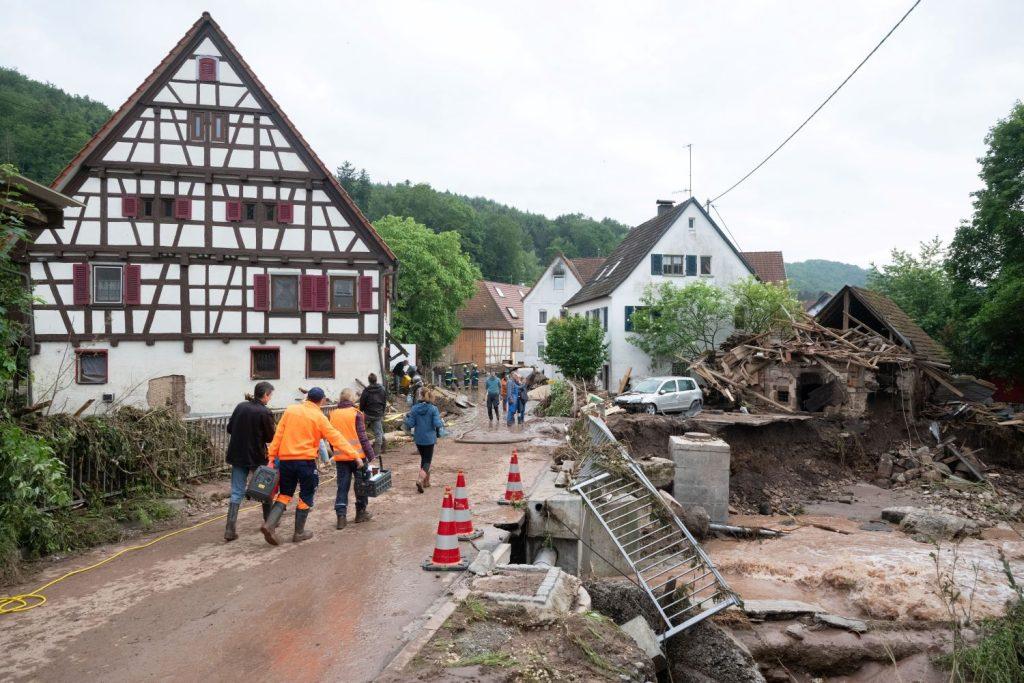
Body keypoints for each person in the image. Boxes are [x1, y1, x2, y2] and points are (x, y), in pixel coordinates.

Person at [261, 387, 358, 545]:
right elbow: (336, 438)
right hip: (305, 462)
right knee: (306, 493)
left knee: (285, 494)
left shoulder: (291, 410)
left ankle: (269, 525)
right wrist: (354, 454)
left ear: (307, 398)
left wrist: (272, 456)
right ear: (321, 401)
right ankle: (299, 532)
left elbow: (278, 434)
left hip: (285, 460)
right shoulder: (319, 417)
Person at [223, 381, 276, 541]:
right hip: (257, 457)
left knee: (236, 492)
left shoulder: (240, 407)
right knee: (264, 489)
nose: (270, 398)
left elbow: (229, 428)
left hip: (237, 455)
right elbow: (270, 437)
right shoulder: (264, 412)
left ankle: (230, 529)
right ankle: (269, 523)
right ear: (266, 395)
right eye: (270, 395)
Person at [330, 388, 375, 530]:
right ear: (351, 399)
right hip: (358, 457)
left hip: (341, 456)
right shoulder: (356, 414)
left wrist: (334, 450)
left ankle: (341, 517)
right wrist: (371, 454)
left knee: (342, 486)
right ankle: (360, 513)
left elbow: (331, 437)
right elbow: (362, 436)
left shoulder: (333, 414)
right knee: (361, 485)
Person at [404, 388, 444, 494]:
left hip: (419, 439)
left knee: (424, 459)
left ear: (420, 396)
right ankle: (420, 480)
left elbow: (410, 424)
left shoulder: (414, 408)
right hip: (429, 439)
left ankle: (426, 482)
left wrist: (406, 418)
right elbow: (437, 424)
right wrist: (440, 420)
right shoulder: (433, 409)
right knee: (427, 461)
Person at [359, 372, 387, 456]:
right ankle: (380, 450)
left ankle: (364, 450)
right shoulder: (382, 389)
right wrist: (382, 411)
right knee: (379, 432)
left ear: (369, 381)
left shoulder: (366, 391)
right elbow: (384, 401)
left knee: (361, 431)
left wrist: (362, 410)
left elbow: (362, 403)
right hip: (378, 414)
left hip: (367, 414)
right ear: (376, 380)